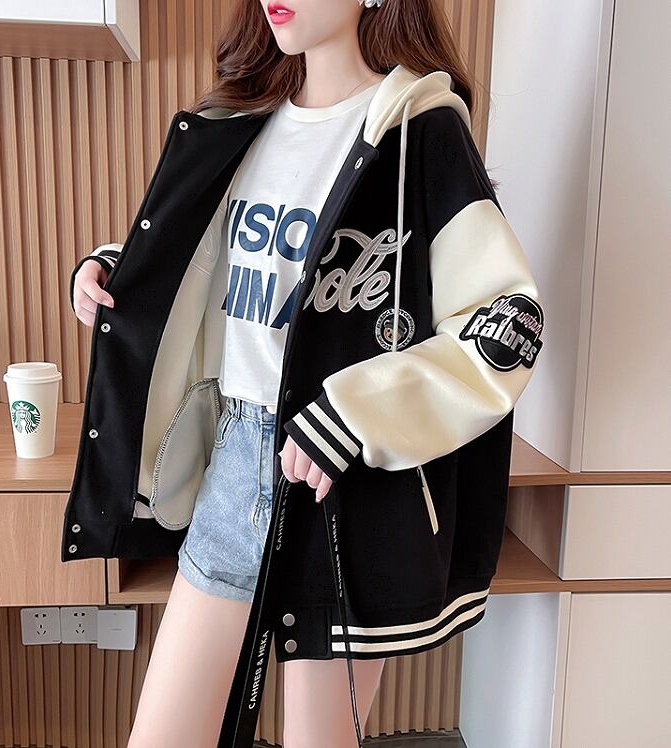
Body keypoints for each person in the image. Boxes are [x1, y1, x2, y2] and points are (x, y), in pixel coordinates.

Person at [68, 1, 545, 746]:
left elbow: (506, 320)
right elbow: (210, 274)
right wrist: (114, 274)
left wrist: (357, 413)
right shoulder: (238, 123)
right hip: (233, 466)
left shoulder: (419, 133)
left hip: (342, 481)